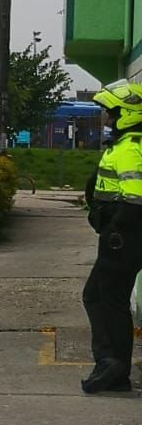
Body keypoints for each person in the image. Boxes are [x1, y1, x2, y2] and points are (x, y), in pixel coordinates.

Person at [81, 80, 142, 393]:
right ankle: (111, 365)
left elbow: (135, 198)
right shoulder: (122, 144)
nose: (106, 117)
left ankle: (114, 365)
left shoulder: (130, 147)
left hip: (123, 238)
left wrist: (115, 229)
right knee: (96, 295)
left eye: (111, 112)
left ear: (127, 114)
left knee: (110, 299)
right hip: (120, 236)